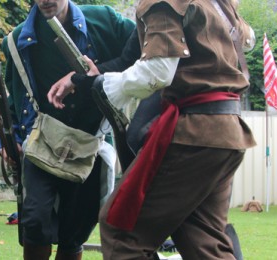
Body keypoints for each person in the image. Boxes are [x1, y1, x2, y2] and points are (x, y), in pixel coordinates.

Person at [49, 0, 257, 258]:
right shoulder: (216, 4)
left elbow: (158, 71)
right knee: (203, 241)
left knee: (121, 231)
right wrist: (89, 79)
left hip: (194, 134)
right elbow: (133, 58)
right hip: (227, 133)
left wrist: (105, 85)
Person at [1, 0, 135, 258]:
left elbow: (142, 53)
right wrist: (12, 139)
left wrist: (95, 76)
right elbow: (13, 98)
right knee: (35, 221)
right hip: (41, 144)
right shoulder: (16, 40)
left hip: (92, 145)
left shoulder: (105, 20)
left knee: (75, 232)